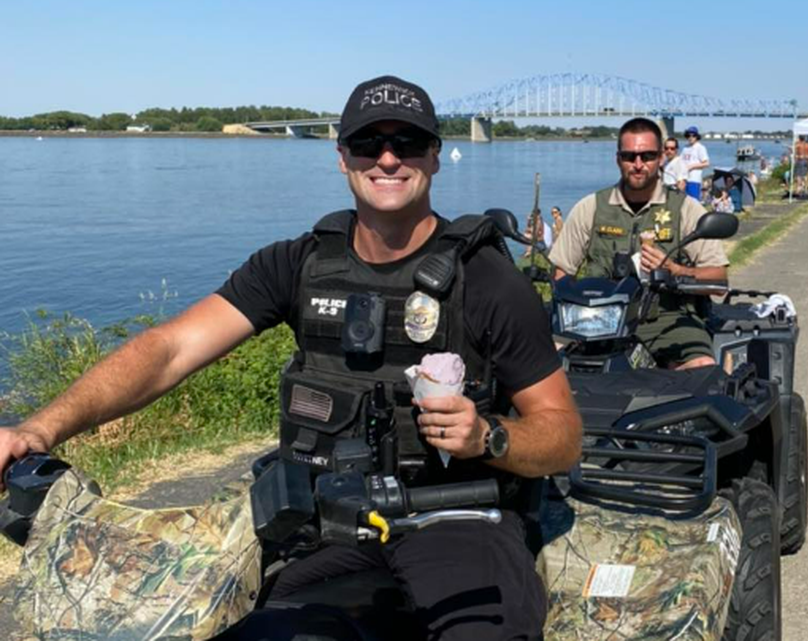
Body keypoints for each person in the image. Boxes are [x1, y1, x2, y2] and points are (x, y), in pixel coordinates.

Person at [0, 75, 582, 641]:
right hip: (329, 525)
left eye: (406, 143)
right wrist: (39, 428)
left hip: (454, 519)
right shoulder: (298, 265)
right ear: (341, 156)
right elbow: (169, 350)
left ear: (434, 156)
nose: (386, 159)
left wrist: (488, 437)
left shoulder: (487, 281)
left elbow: (563, 435)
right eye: (367, 143)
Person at [548, 117, 729, 370]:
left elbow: (719, 280)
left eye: (648, 156)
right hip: (596, 319)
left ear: (662, 158)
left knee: (702, 368)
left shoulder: (685, 209)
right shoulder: (591, 207)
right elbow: (561, 273)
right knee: (541, 366)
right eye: (629, 156)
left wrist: (676, 271)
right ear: (617, 159)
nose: (638, 164)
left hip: (667, 320)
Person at [680, 126, 710, 201]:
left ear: (697, 137)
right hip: (684, 178)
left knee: (693, 201)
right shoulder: (685, 148)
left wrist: (692, 166)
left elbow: (706, 163)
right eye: (689, 135)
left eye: (693, 135)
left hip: (694, 179)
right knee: (683, 200)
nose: (691, 137)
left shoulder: (700, 148)